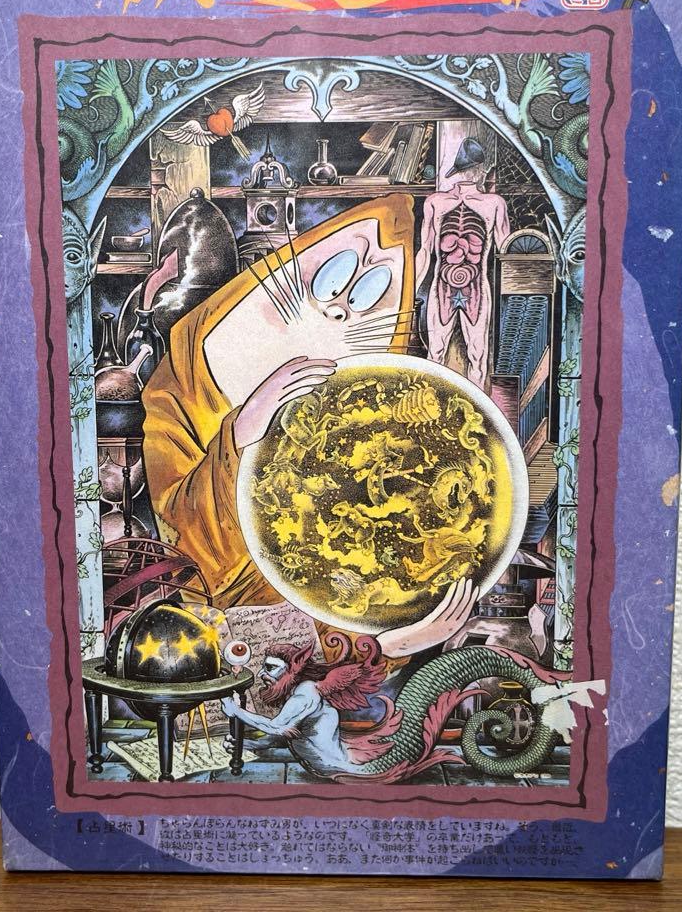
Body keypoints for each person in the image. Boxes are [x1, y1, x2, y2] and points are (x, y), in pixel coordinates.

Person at [141, 194, 477, 659]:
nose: (339, 309)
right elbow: (189, 543)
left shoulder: (368, 430)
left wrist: (385, 644)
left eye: (368, 295)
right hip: (215, 638)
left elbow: (365, 579)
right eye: (331, 276)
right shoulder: (179, 394)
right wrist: (243, 429)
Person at [416, 137, 511, 391]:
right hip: (447, 289)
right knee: (441, 354)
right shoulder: (438, 202)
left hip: (473, 289)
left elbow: (507, 252)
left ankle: (474, 410)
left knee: (473, 355)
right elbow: (424, 250)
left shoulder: (492, 204)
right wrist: (408, 290)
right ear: (480, 171)